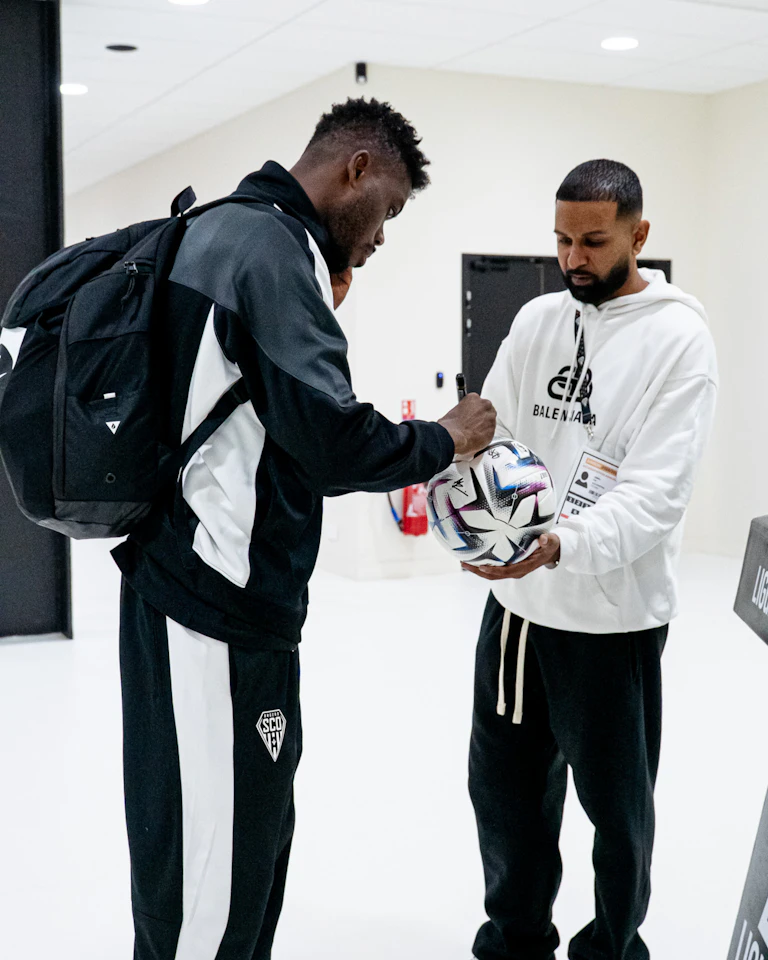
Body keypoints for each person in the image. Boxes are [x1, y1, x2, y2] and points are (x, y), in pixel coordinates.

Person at [110, 97, 496, 960]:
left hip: (184, 588)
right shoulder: (272, 250)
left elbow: (253, 412)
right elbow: (330, 442)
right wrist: (446, 436)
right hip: (217, 608)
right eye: (389, 208)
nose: (384, 235)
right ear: (356, 169)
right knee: (215, 885)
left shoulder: (216, 226)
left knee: (212, 853)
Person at [464, 159, 717, 960]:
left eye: (594, 242)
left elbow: (654, 495)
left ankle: (612, 947)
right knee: (504, 794)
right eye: (562, 240)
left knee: (618, 813)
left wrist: (560, 544)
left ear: (640, 236)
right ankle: (515, 940)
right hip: (519, 615)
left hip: (612, 623)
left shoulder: (680, 340)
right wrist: (469, 494)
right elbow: (496, 431)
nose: (574, 258)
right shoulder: (539, 319)